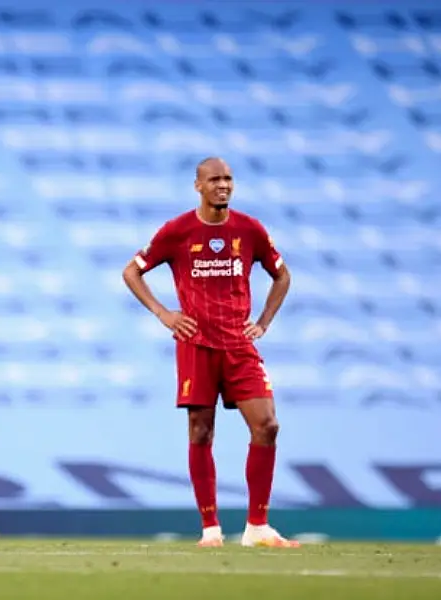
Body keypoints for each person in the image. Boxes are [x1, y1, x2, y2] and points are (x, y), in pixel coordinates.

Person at [122, 157, 297, 548]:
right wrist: (164, 313)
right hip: (196, 345)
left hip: (239, 344)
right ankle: (211, 531)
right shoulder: (178, 230)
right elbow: (131, 271)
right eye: (214, 179)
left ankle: (257, 527)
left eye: (228, 179)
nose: (223, 185)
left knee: (267, 425)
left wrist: (264, 321)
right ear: (198, 185)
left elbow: (282, 274)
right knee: (201, 431)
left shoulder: (249, 230)